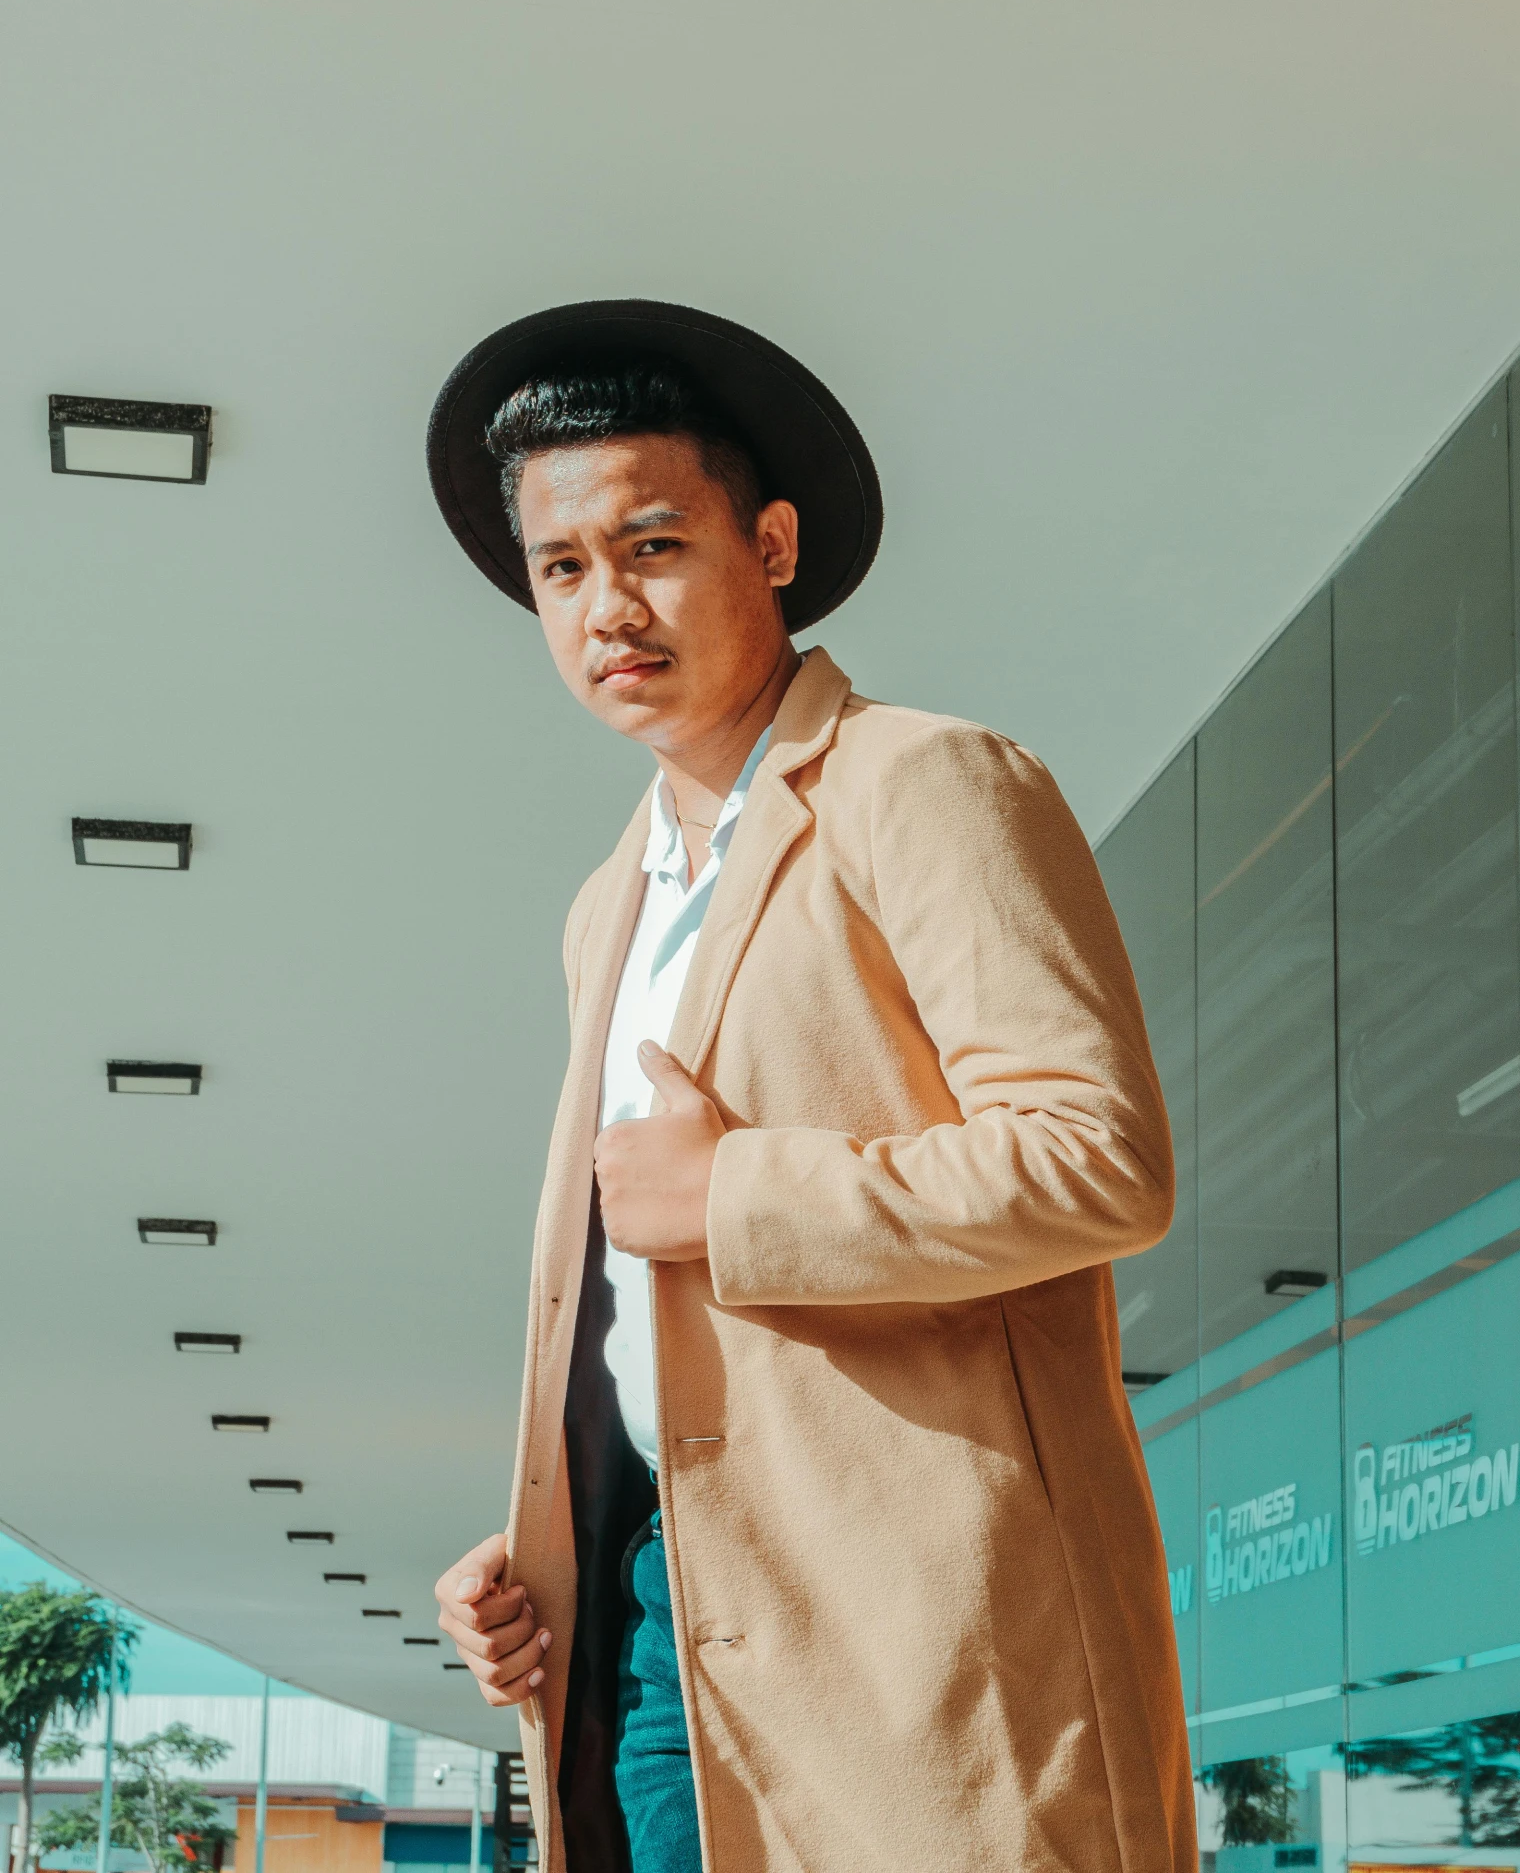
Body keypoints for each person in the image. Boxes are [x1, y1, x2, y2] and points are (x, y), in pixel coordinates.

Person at [426, 300, 1195, 1873]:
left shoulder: (922, 781)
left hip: (925, 1634)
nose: (605, 607)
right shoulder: (607, 903)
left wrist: (731, 1190)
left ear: (769, 542)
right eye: (560, 569)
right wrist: (557, 1536)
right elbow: (642, 1313)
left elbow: (1097, 1157)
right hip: (661, 1624)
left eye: (651, 544)